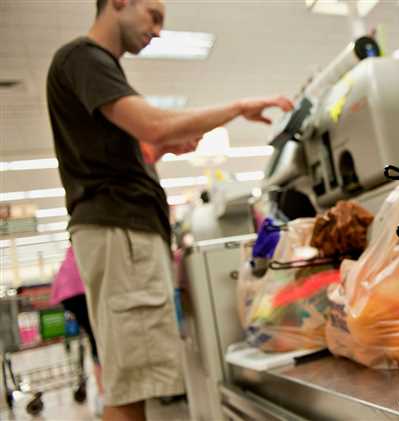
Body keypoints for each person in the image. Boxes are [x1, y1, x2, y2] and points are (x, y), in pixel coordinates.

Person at [45, 0, 293, 420]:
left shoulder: (94, 66)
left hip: (123, 232)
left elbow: (127, 150)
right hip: (122, 234)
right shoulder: (84, 58)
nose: (157, 30)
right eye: (153, 16)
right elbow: (154, 124)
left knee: (133, 380)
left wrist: (157, 149)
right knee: (132, 385)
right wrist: (237, 107)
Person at [50, 247, 104, 416]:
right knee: (98, 337)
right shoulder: (89, 243)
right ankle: (104, 393)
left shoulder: (73, 249)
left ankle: (103, 392)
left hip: (68, 294)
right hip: (78, 291)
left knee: (95, 336)